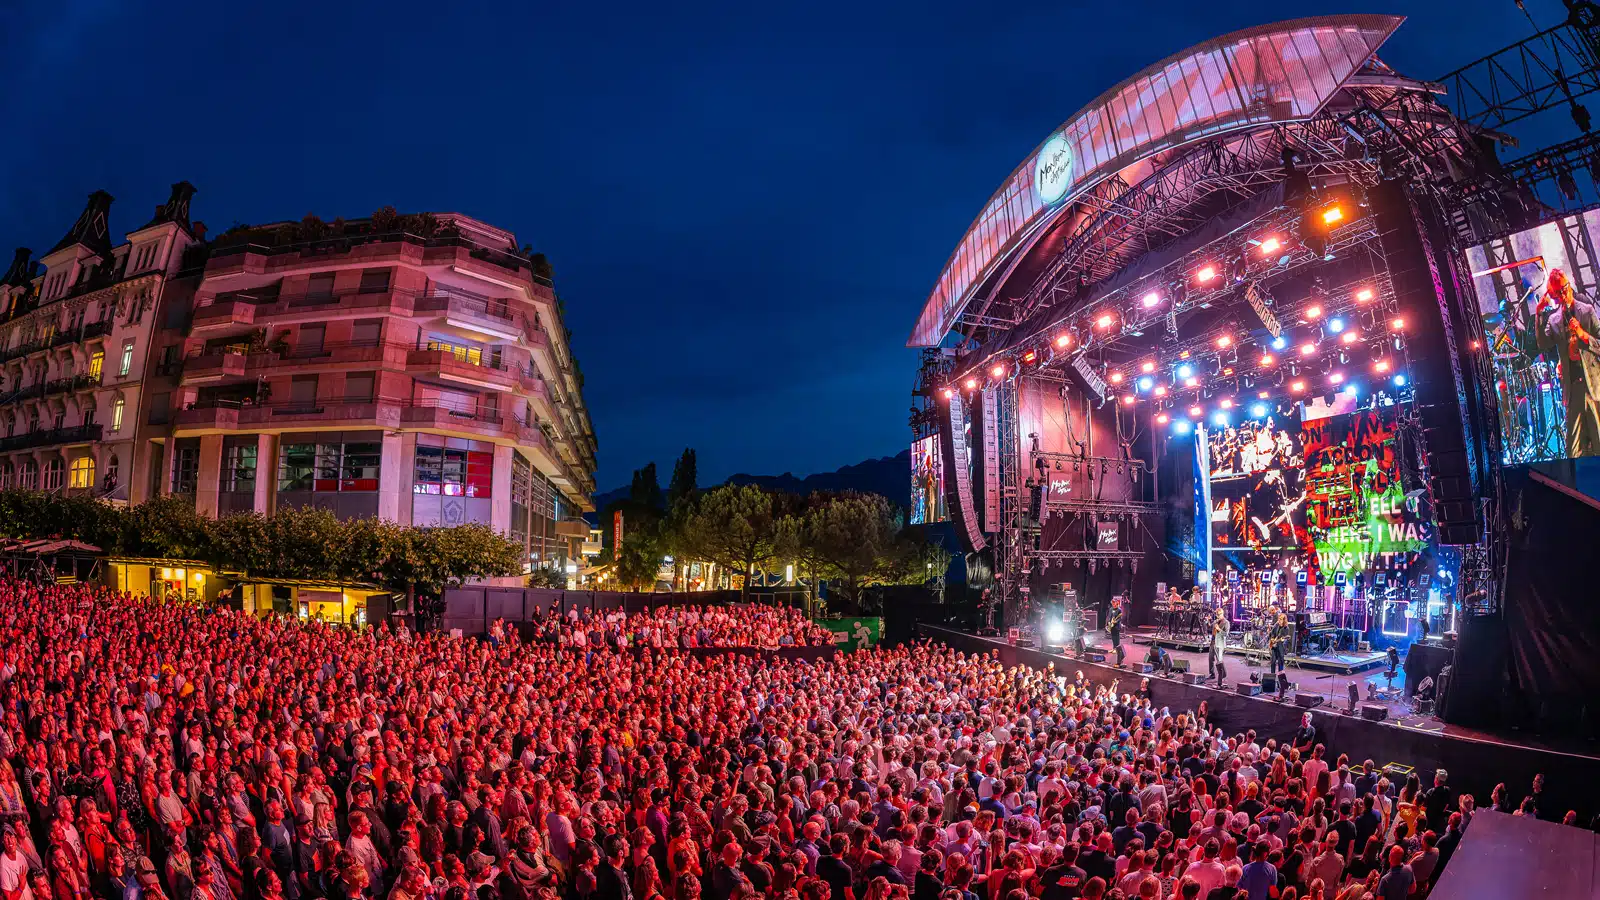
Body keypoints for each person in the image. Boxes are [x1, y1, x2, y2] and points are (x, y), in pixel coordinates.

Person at [1536, 267, 1600, 456]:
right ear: (1553, 295)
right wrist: (1539, 314)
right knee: (1573, 448)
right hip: (1572, 390)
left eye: (1565, 288)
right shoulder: (1554, 319)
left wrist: (1582, 334)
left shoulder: (1587, 311)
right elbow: (1543, 344)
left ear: (1569, 285)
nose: (1564, 294)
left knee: (1598, 442)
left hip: (1593, 386)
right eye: (1559, 292)